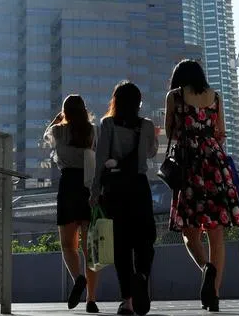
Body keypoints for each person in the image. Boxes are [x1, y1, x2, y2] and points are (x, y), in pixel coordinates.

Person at [165, 60, 239, 312]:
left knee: (189, 233)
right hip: (214, 164)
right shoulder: (216, 97)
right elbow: (221, 133)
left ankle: (205, 267)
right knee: (216, 235)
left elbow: (170, 132)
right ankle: (214, 296)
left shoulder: (174, 96)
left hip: (189, 165)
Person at [91, 81, 158, 316]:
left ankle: (127, 301)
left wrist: (95, 192)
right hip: (139, 186)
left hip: (114, 189)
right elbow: (150, 153)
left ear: (115, 101)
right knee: (145, 239)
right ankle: (142, 276)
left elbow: (100, 159)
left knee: (121, 246)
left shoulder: (107, 124)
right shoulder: (146, 125)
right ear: (139, 103)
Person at [44, 95, 99, 312]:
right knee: (89, 249)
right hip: (88, 185)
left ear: (65, 112)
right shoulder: (93, 130)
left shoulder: (58, 131)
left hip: (68, 186)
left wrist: (57, 119)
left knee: (68, 245)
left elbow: (45, 137)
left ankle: (78, 278)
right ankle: (91, 300)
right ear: (84, 111)